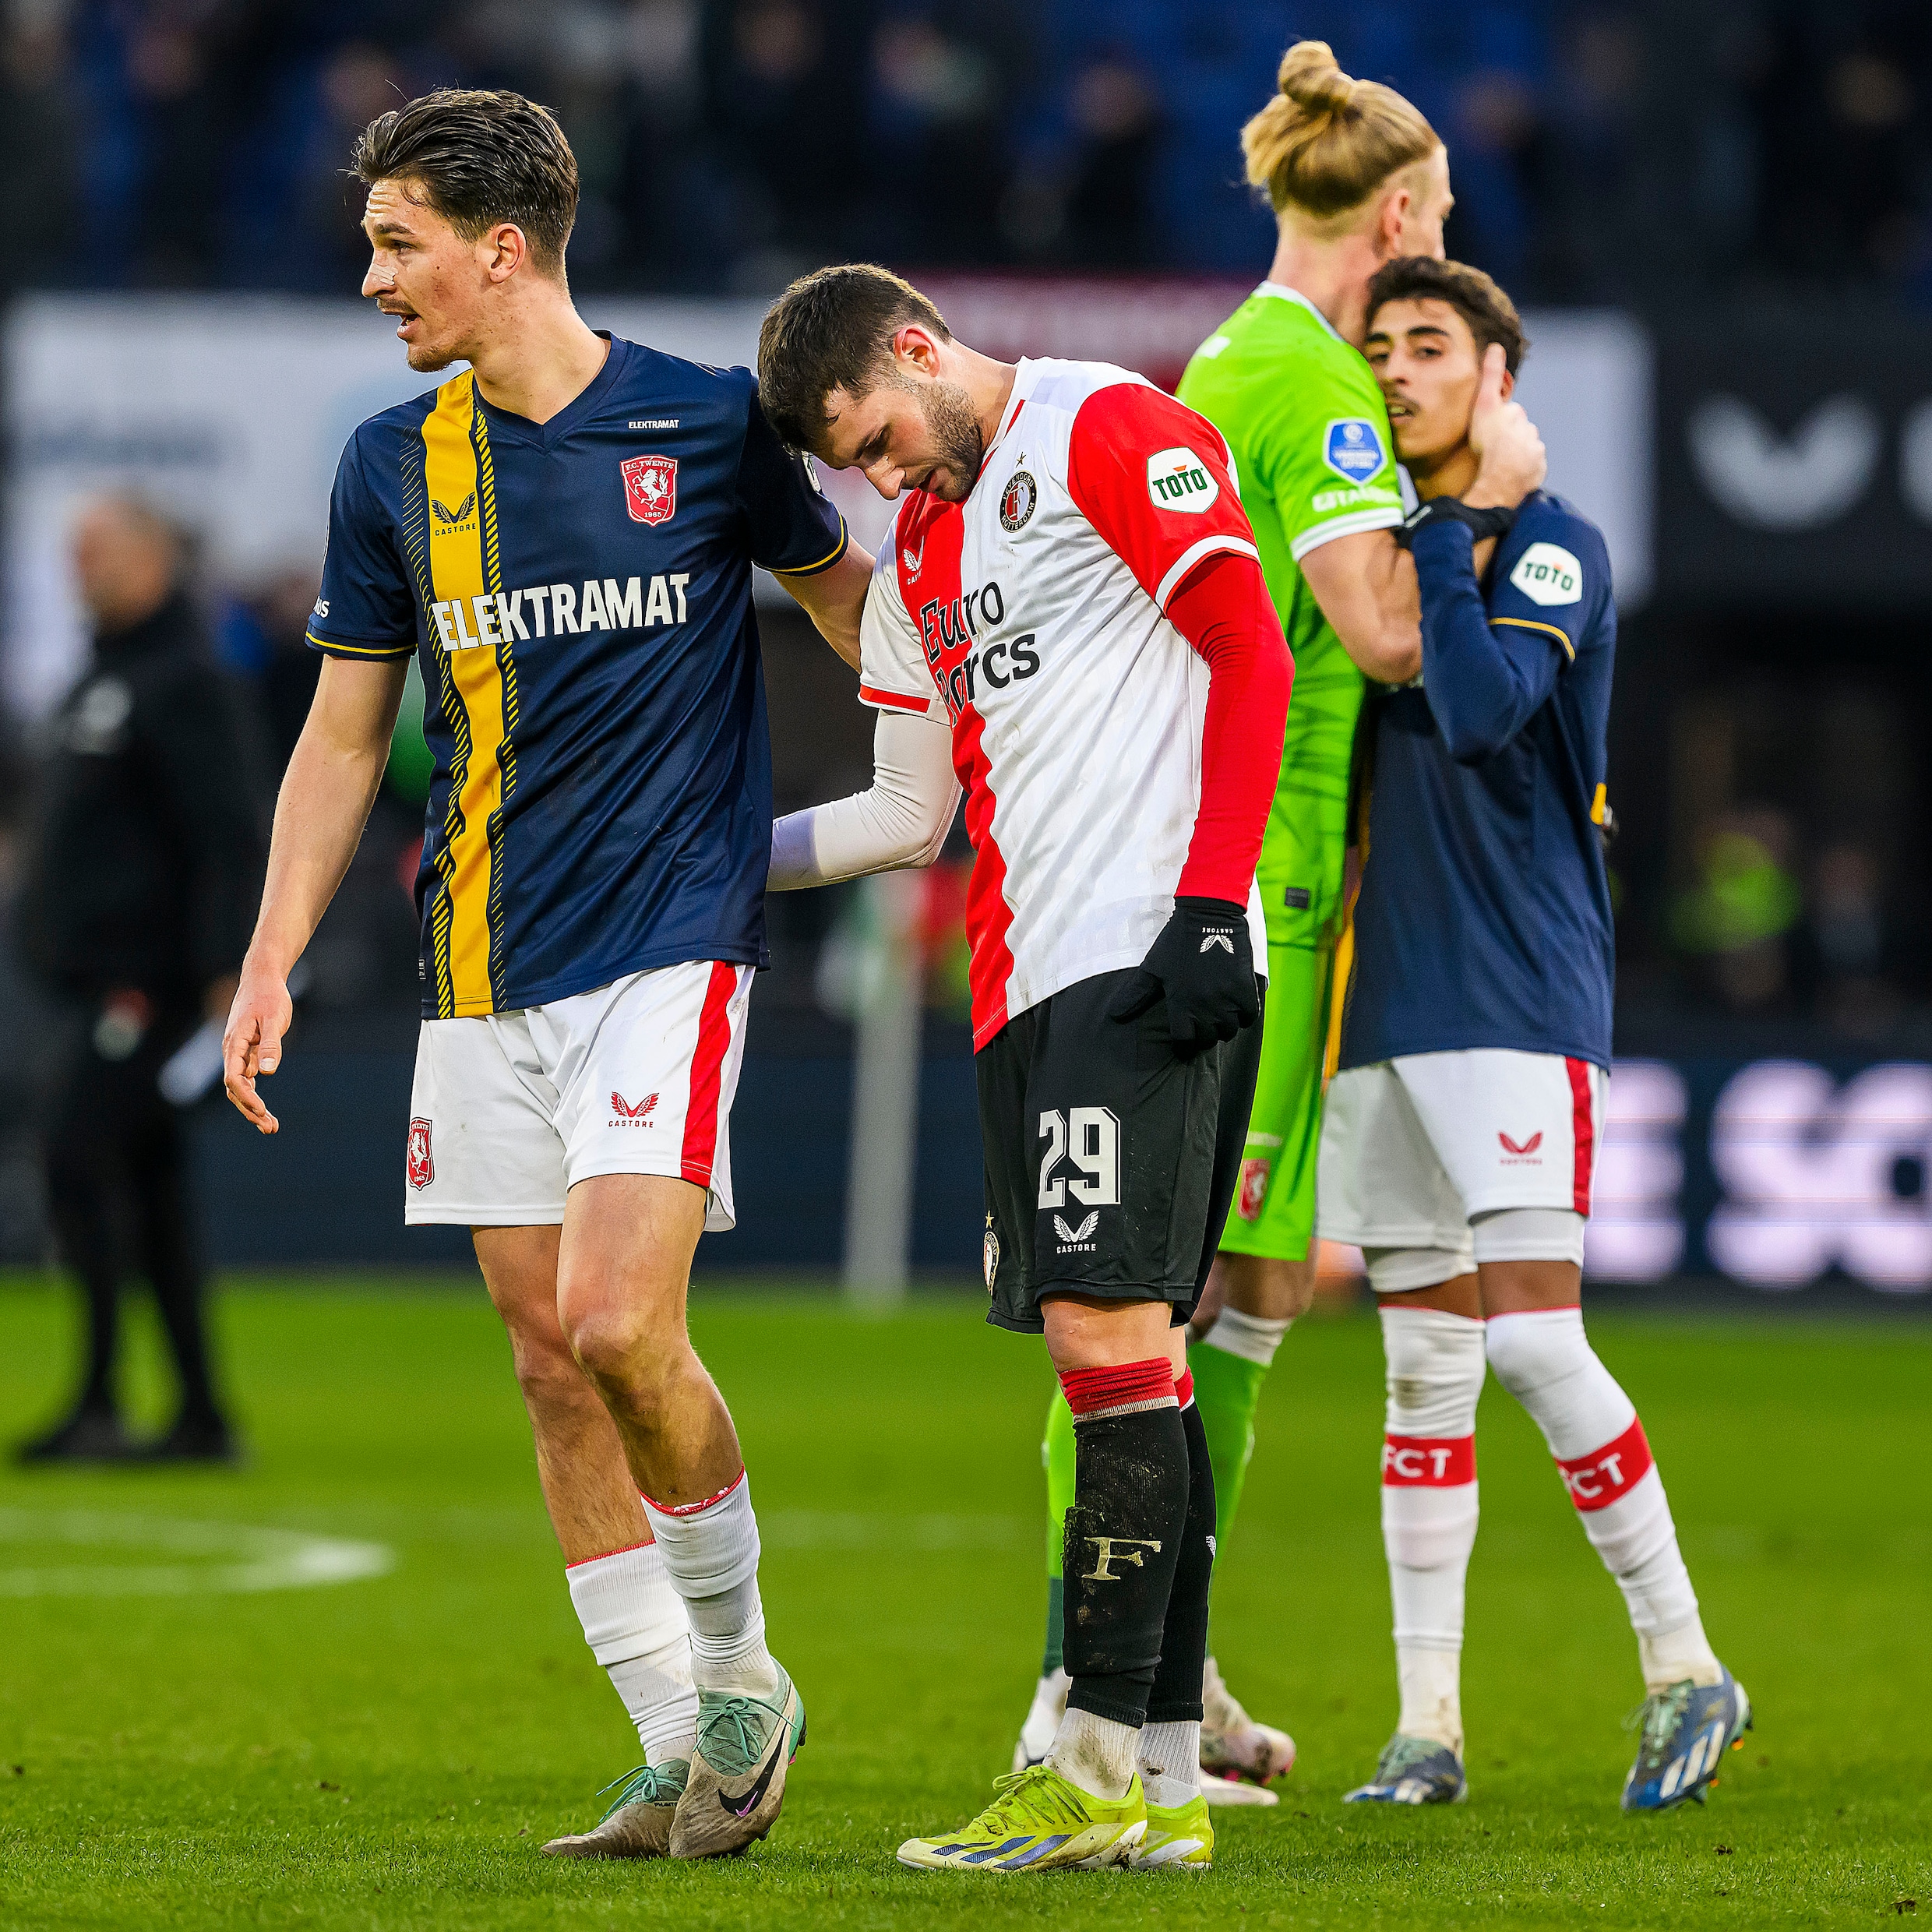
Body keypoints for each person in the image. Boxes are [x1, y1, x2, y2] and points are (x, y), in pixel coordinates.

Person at [219, 90, 870, 1861]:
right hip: (480, 964)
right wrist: (273, 950)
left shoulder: (709, 423)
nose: (374, 278)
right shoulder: (390, 467)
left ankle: (740, 1671)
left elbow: (852, 609)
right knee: (543, 1358)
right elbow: (345, 736)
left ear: (501, 249)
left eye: (397, 243)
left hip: (669, 944)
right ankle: (678, 1741)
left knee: (614, 1321)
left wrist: (977, 758)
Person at [1016, 37, 1548, 1797]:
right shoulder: (1314, 380)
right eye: (1441, 216)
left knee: (1237, 1284)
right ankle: (1079, 1684)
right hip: (1269, 869)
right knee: (1157, 1294)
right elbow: (1382, 630)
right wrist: (1486, 479)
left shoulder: (1238, 351)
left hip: (1233, 853)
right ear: (1397, 213)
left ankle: (1170, 1663)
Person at [758, 261, 1291, 1875]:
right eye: (853, 463)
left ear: (920, 348)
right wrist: (705, 864)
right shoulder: (923, 544)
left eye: (882, 433)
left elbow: (1248, 652)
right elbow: (906, 814)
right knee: (1140, 1358)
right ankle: (1172, 1783)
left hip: (1141, 946)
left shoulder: (1111, 425)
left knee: (1107, 1340)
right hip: (1021, 983)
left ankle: (1084, 1763)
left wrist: (1210, 896)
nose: (884, 474)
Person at [1324, 256, 1750, 1811]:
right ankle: (1425, 1727)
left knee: (1531, 1339)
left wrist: (1445, 532)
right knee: (1422, 1375)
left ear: (1497, 374)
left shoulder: (1553, 547)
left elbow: (1491, 708)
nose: (1395, 371)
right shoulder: (1373, 561)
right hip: (1387, 1002)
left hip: (1515, 988)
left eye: (1428, 346)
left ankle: (1686, 1663)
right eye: (1378, 347)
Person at [16, 495, 263, 1465]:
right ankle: (200, 1413)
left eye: (100, 550)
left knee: (77, 1155)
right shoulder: (100, 673)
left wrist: (219, 970)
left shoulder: (185, 678)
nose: (83, 567)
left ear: (155, 554)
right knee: (149, 1186)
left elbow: (226, 834)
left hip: (145, 986)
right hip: (90, 979)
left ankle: (101, 1398)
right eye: (74, 552)